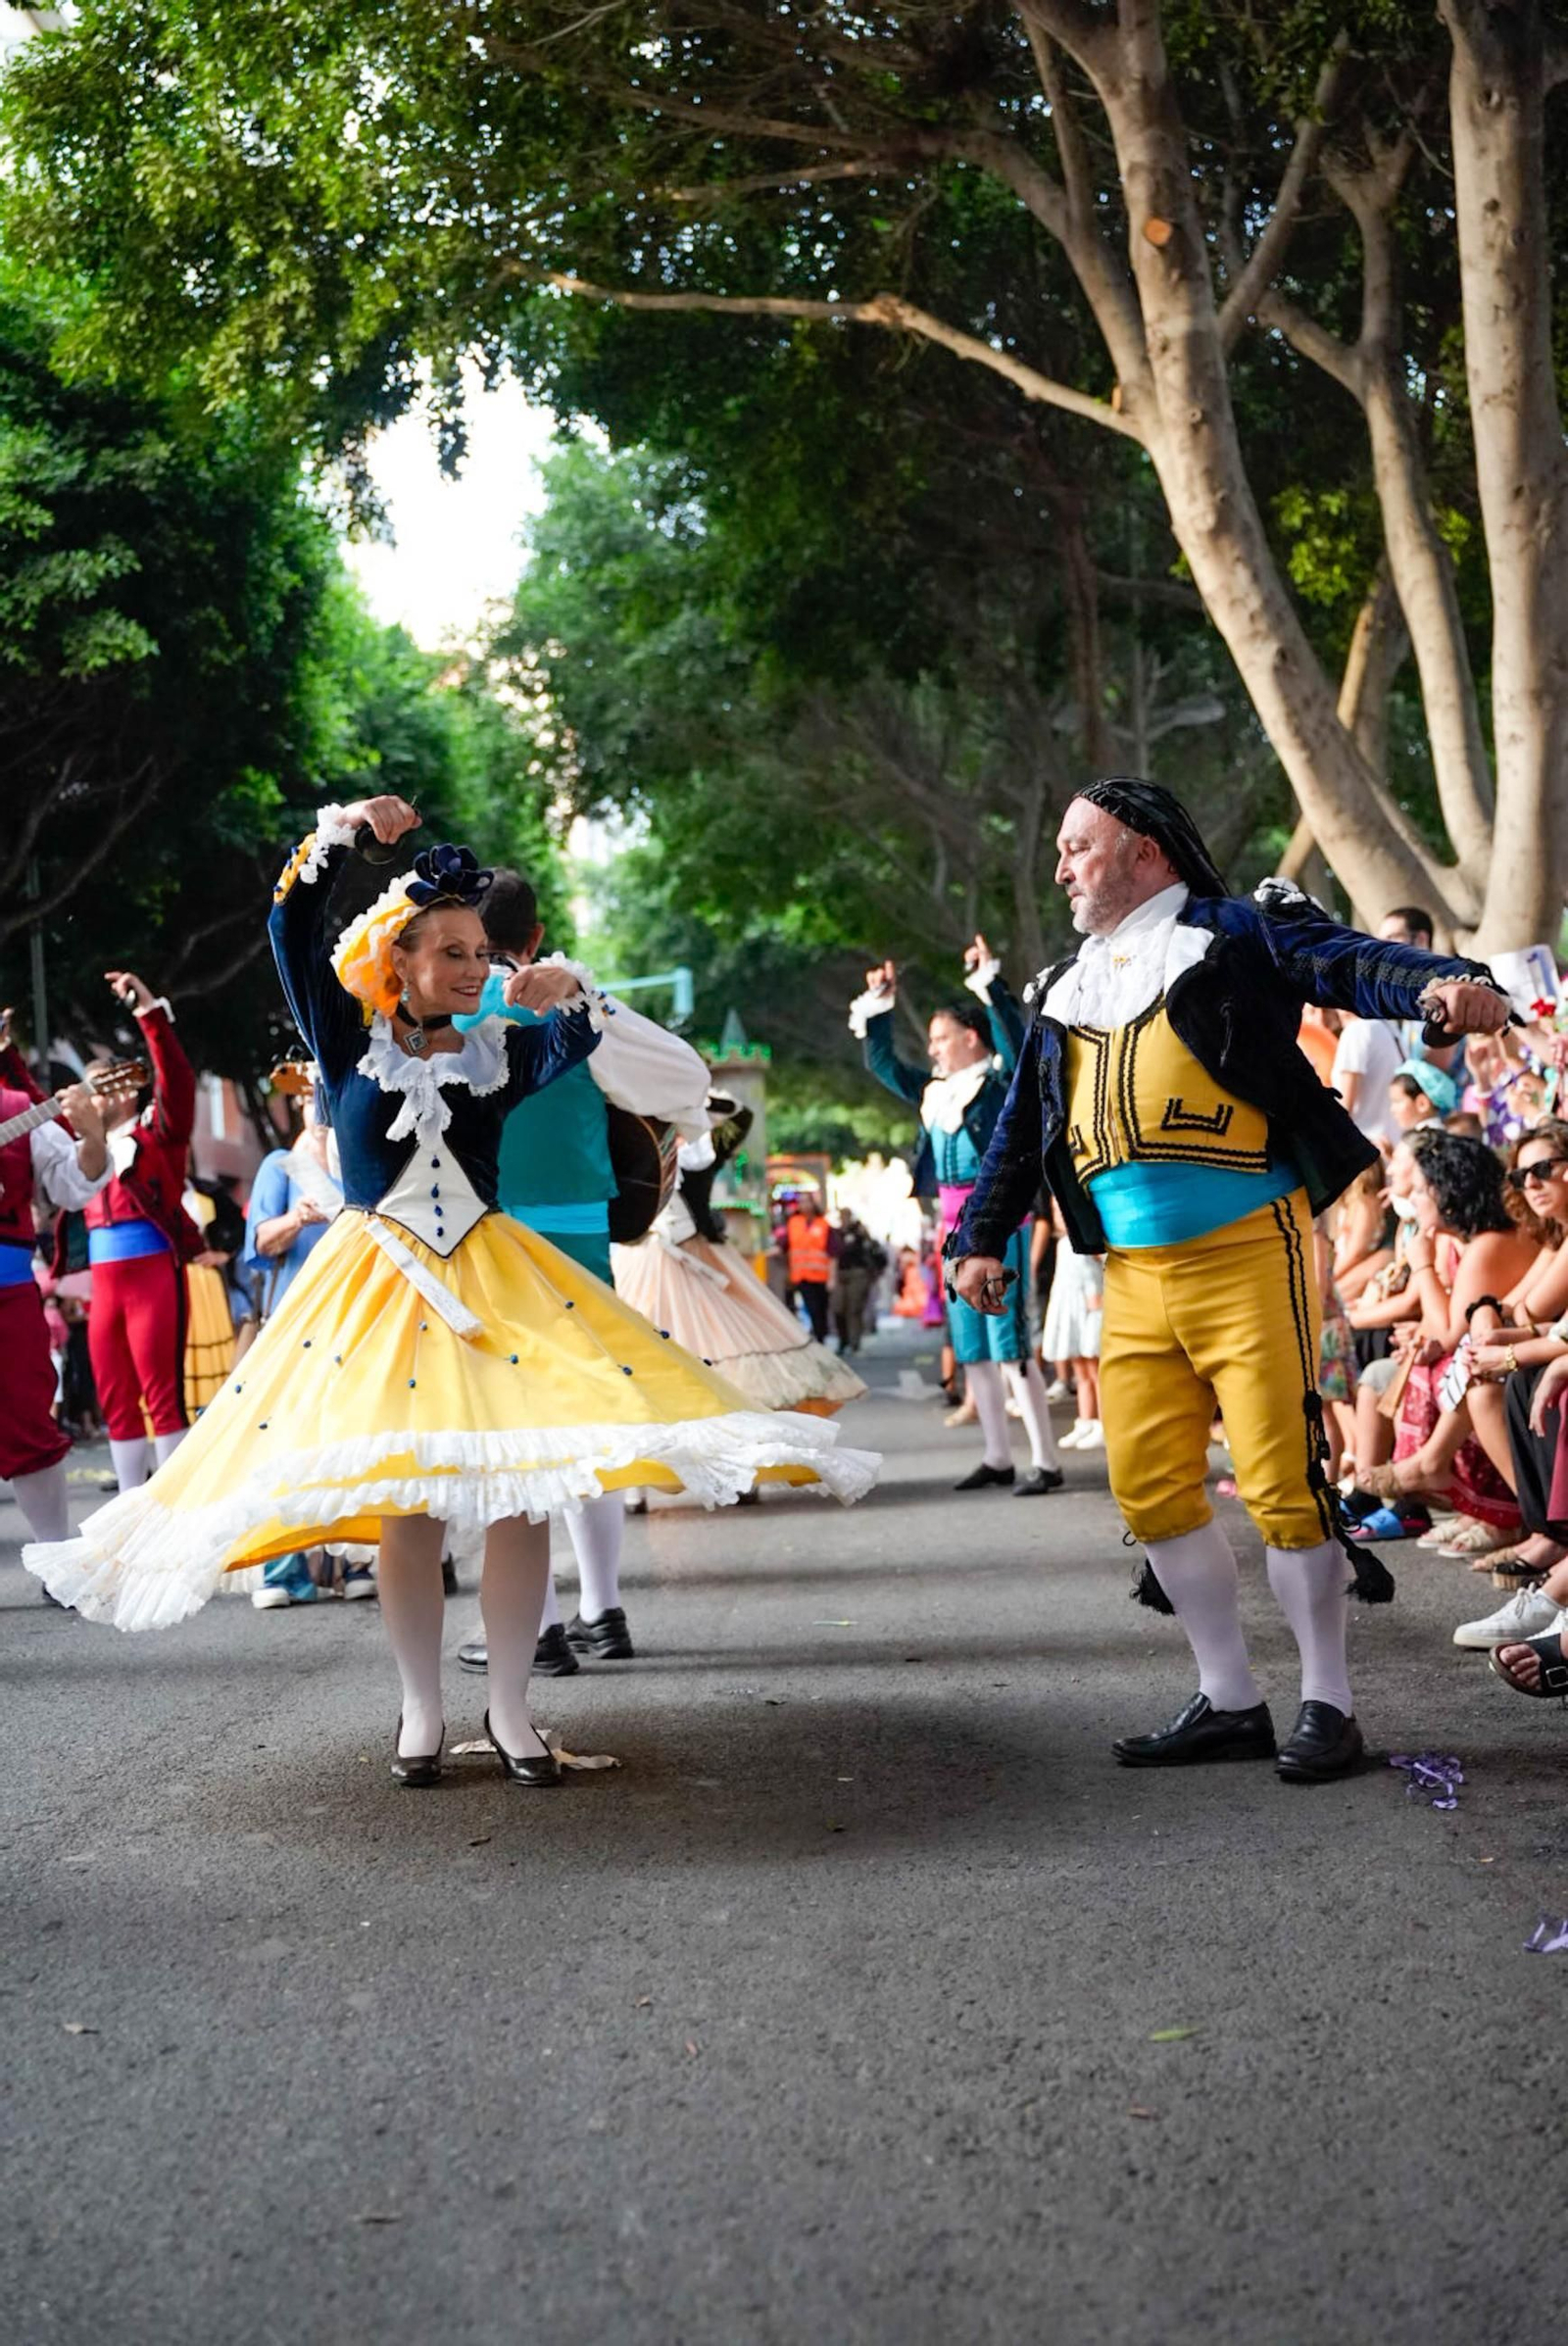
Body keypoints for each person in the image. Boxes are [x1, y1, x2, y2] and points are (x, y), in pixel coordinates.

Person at [24, 798, 877, 1793]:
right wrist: (343, 831)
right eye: (455, 952)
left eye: (482, 952)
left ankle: (510, 1708)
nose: (477, 968)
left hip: (498, 1286)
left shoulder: (499, 1050)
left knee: (524, 1495)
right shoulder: (344, 1039)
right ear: (400, 957)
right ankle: (419, 1709)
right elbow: (290, 924)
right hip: (374, 1295)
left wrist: (572, 987)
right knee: (410, 1507)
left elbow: (600, 1038)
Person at [950, 778, 1510, 1781]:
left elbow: (1350, 961)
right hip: (1131, 1274)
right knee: (1148, 1487)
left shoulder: (1237, 934)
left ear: (1147, 851)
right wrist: (980, 1235)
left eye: (1079, 847)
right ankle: (1230, 1699)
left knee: (1283, 1483)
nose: (1061, 867)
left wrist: (1444, 982)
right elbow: (1021, 1131)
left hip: (1251, 1247)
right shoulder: (1063, 987)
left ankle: (1329, 1704)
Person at [450, 864, 714, 1676]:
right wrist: (583, 994)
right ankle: (602, 1610)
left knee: (514, 1428)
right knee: (587, 1418)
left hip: (490, 1239)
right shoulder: (574, 1000)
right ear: (534, 936)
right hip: (580, 1236)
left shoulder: (445, 1007)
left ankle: (537, 1627)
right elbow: (688, 1079)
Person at [854, 936, 1063, 1497]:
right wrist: (880, 1004)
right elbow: (882, 1063)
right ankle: (997, 1457)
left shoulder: (999, 1083)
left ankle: (1046, 1461)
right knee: (971, 1347)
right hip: (952, 1232)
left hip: (1000, 1222)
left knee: (1010, 1343)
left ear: (971, 1037)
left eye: (942, 1038)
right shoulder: (935, 1092)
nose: (934, 1049)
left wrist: (988, 982)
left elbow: (1017, 1041)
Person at [613, 1097, 867, 1421]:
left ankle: (712, 1403)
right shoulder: (633, 1147)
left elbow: (741, 1119)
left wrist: (706, 1098)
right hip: (644, 1256)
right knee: (644, 1326)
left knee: (714, 1329)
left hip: (696, 1253)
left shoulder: (700, 1151)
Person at [240, 1072, 363, 1609]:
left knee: (353, 1436)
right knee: (287, 1440)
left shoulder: (356, 1159)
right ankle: (284, 1568)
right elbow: (259, 1241)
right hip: (297, 1320)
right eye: (313, 1099)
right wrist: (296, 1218)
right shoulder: (280, 1166)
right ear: (300, 1103)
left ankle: (353, 1559)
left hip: (355, 1316)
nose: (321, 1110)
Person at [76, 972, 201, 1493]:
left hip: (152, 1273)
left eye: (100, 1086)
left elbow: (178, 1079)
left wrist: (149, 1014)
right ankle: (129, 1508)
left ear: (125, 1090)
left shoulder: (158, 1132)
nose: (92, 1097)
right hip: (102, 1283)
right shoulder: (80, 1147)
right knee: (114, 1398)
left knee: (163, 1394)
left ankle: (168, 1510)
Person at [0, 1038, 110, 1584]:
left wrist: (92, 1136)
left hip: (7, 1291)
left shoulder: (18, 1111)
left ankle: (57, 1561)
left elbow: (73, 1186)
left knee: (28, 1421)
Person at [1328, 1007, 1404, 1151]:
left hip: (1367, 1146)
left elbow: (1344, 1108)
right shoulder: (1388, 1027)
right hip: (1390, 1144)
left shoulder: (1356, 1031)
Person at [782, 1193, 834, 1342]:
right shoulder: (793, 1223)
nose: (804, 1205)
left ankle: (821, 1334)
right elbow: (785, 1245)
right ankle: (818, 1336)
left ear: (813, 1204)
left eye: (806, 1201)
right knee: (812, 1307)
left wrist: (832, 1277)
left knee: (821, 1308)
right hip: (802, 1276)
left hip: (821, 1276)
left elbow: (833, 1253)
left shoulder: (823, 1224)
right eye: (801, 1202)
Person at [832, 1213, 886, 1354]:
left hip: (858, 1273)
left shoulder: (860, 1234)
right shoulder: (837, 1234)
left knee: (854, 1309)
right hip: (840, 1273)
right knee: (838, 1308)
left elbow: (873, 1252)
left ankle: (854, 1342)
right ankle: (843, 1340)